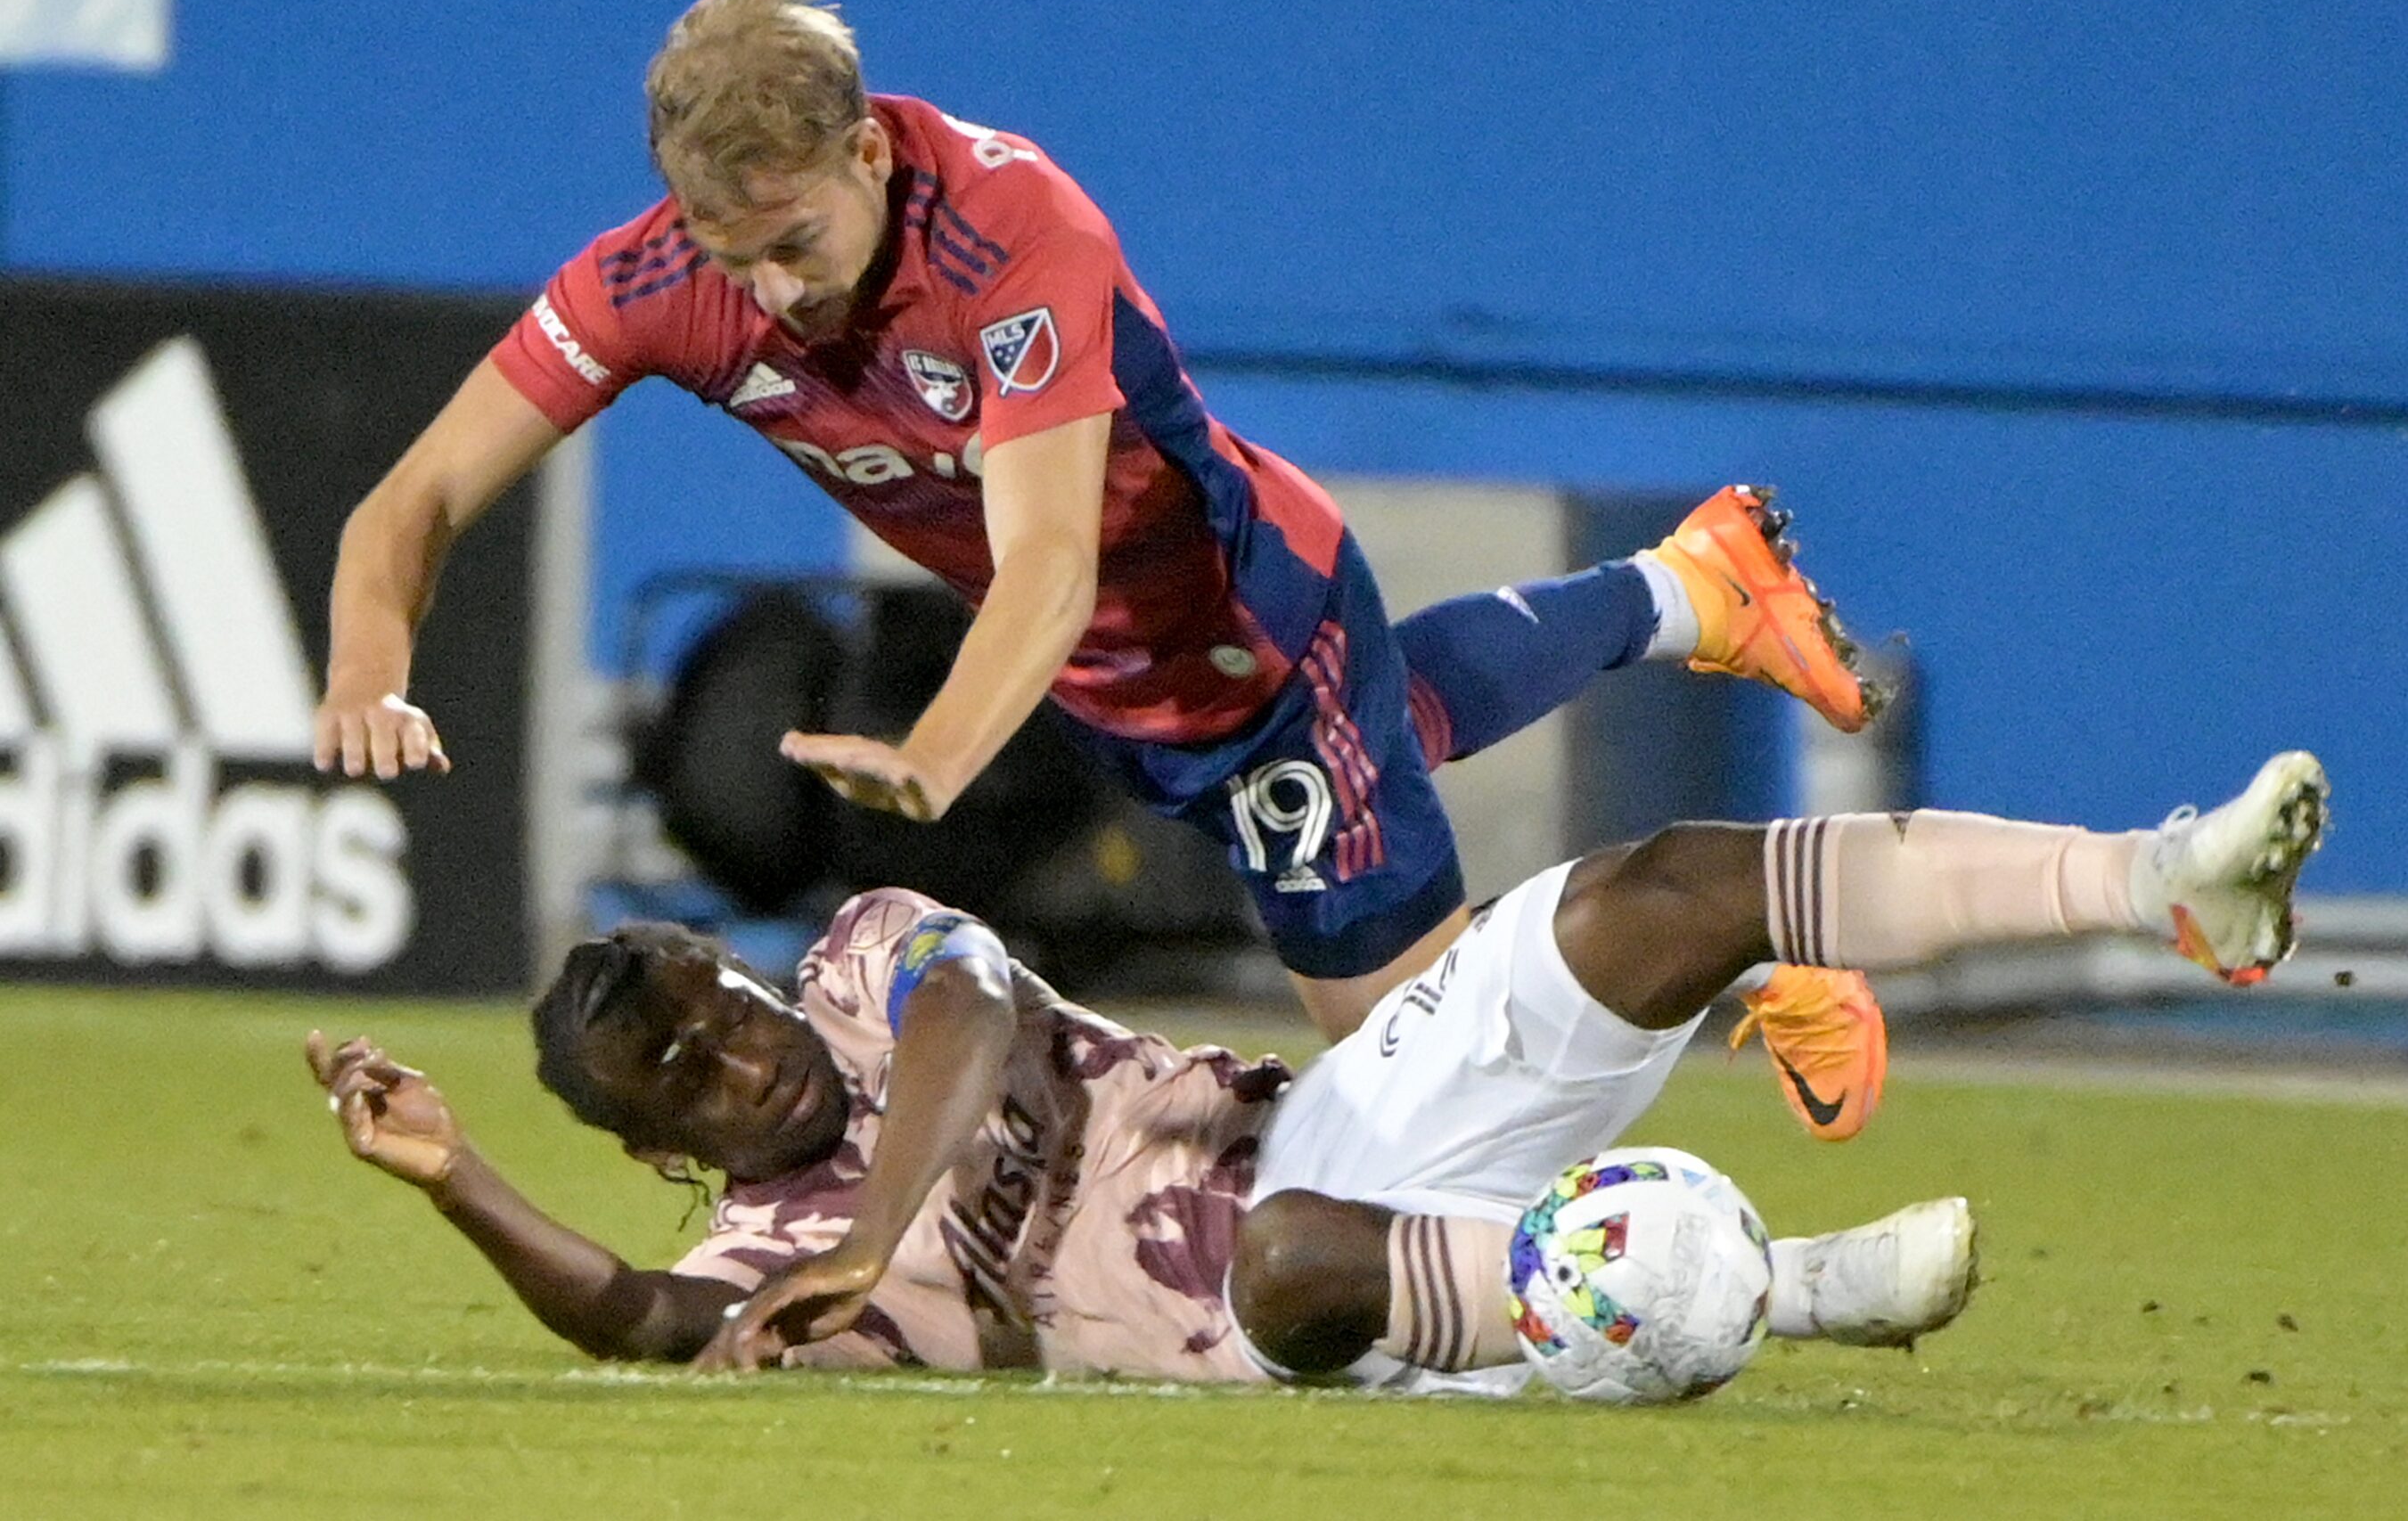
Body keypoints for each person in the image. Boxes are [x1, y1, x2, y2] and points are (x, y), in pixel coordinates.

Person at [310, 0, 1888, 1107]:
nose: (772, 290)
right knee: (1401, 729)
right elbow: (417, 499)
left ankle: (1754, 944)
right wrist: (368, 667)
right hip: (1118, 684)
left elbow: (1049, 561)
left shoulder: (1011, 230)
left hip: (1246, 626)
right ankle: (1685, 586)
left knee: (1422, 1070)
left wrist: (936, 752)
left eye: (793, 240)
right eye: (733, 252)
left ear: (867, 152)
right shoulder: (656, 282)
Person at [308, 751, 2326, 1391]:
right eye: (673, 1065)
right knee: (1280, 1267)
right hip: (1303, 1319)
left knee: (1647, 889)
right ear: (656, 1138)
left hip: (1357, 1125)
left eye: (706, 998)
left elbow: (980, 1014)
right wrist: (457, 1174)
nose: (726, 1050)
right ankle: (1784, 1290)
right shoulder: (775, 1259)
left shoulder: (866, 961)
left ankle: (2155, 877)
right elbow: (642, 1323)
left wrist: (903, 1213)